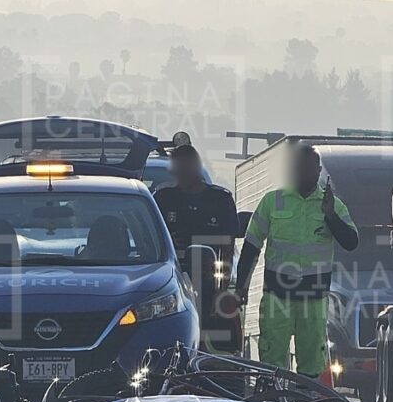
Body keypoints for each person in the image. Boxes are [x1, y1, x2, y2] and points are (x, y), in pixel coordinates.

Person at [234, 143, 358, 378]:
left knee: (311, 363)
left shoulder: (331, 205)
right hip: (277, 298)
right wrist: (242, 287)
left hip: (313, 300)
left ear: (319, 170)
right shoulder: (273, 201)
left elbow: (351, 242)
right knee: (272, 362)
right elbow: (251, 247)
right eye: (299, 168)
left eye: (309, 168)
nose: (304, 173)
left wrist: (330, 216)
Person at [152, 144, 239, 281]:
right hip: (169, 279)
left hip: (209, 279)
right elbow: (148, 241)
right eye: (177, 170)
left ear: (195, 168)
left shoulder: (221, 201)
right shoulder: (163, 199)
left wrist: (222, 288)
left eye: (184, 169)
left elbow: (227, 249)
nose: (180, 174)